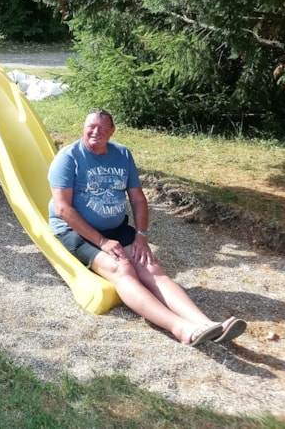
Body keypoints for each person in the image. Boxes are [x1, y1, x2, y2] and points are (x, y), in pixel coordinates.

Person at [48, 108, 247, 346]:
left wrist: (141, 235)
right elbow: (63, 209)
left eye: (102, 127)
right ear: (83, 128)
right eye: (90, 126)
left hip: (116, 229)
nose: (95, 132)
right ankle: (181, 328)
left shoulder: (122, 154)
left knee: (151, 267)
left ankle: (206, 324)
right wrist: (102, 242)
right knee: (122, 269)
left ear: (112, 131)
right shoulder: (68, 158)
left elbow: (138, 198)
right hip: (74, 230)